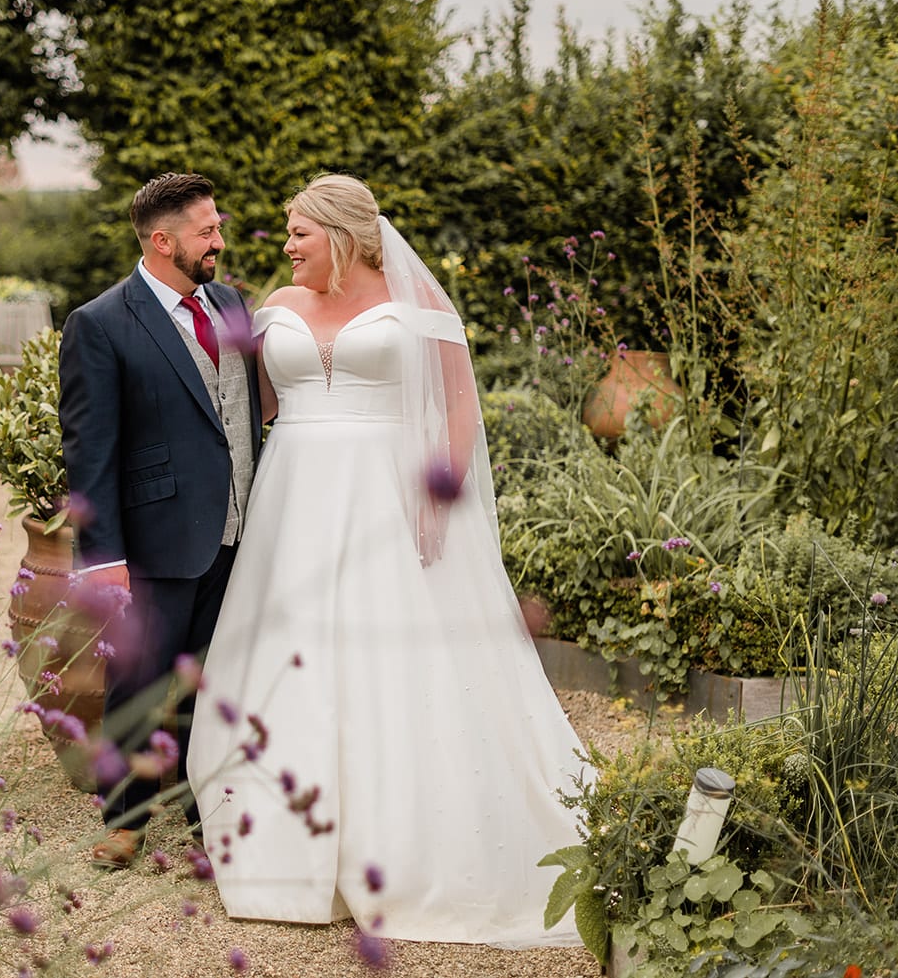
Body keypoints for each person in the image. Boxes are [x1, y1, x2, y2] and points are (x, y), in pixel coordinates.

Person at [185, 173, 588, 946]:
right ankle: (288, 851)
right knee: (292, 653)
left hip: (385, 501)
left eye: (298, 231)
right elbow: (257, 409)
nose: (287, 244)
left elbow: (459, 405)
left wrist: (440, 495)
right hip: (293, 504)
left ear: (338, 234)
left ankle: (399, 842)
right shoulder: (276, 306)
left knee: (393, 656)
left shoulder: (422, 309)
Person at [59, 172, 263, 869]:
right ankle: (124, 821)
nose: (220, 241)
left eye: (217, 227)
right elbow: (90, 451)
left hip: (238, 532)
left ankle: (212, 811)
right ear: (161, 239)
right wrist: (101, 556)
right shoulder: (101, 321)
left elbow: (243, 413)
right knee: (140, 680)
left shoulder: (232, 303)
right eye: (207, 231)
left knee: (221, 676)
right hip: (155, 537)